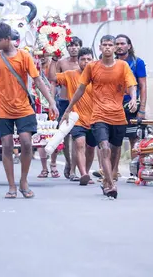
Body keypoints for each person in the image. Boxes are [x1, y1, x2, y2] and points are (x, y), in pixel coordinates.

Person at [0, 22, 58, 199]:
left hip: (24, 107)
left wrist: (51, 102)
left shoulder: (24, 57)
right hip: (2, 109)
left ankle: (23, 181)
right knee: (7, 146)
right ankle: (11, 186)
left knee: (26, 142)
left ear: (8, 39)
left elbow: (38, 81)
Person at [61, 35, 137, 198]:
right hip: (98, 116)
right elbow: (80, 89)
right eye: (105, 45)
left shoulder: (123, 66)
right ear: (100, 48)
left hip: (118, 116)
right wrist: (68, 109)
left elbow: (131, 85)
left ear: (115, 48)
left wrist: (133, 98)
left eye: (111, 45)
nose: (108, 47)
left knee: (115, 151)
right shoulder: (92, 67)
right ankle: (110, 184)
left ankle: (109, 178)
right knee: (105, 147)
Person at [49, 47, 96, 185]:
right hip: (76, 117)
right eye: (83, 59)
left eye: (89, 59)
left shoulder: (98, 75)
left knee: (90, 147)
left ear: (93, 60)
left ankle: (86, 171)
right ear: (78, 61)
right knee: (79, 143)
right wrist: (53, 60)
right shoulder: (70, 74)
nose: (86, 62)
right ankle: (83, 174)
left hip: (94, 118)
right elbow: (52, 77)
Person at [113, 34, 147, 183]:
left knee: (134, 138)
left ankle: (134, 172)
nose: (119, 46)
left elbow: (143, 86)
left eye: (122, 43)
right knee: (115, 139)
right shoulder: (109, 62)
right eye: (117, 44)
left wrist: (142, 109)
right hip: (113, 106)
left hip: (132, 106)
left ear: (129, 46)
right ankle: (113, 171)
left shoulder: (137, 62)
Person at [51, 37, 82, 179]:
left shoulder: (86, 62)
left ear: (80, 47)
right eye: (70, 45)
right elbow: (53, 81)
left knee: (78, 137)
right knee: (65, 135)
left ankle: (74, 170)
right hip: (64, 101)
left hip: (81, 103)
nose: (73, 48)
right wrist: (51, 101)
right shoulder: (62, 62)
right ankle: (69, 163)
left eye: (76, 45)